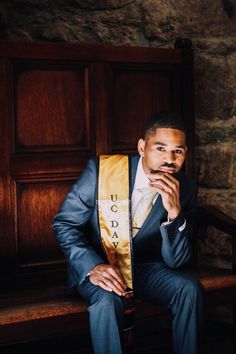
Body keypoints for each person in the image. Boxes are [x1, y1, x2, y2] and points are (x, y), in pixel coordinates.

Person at [52, 111, 204, 354]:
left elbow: (177, 261)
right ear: (142, 147)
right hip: (99, 266)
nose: (169, 159)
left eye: (178, 151)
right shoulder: (102, 171)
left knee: (189, 288)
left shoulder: (184, 188)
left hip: (144, 268)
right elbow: (65, 224)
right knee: (108, 300)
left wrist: (175, 213)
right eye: (160, 148)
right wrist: (93, 266)